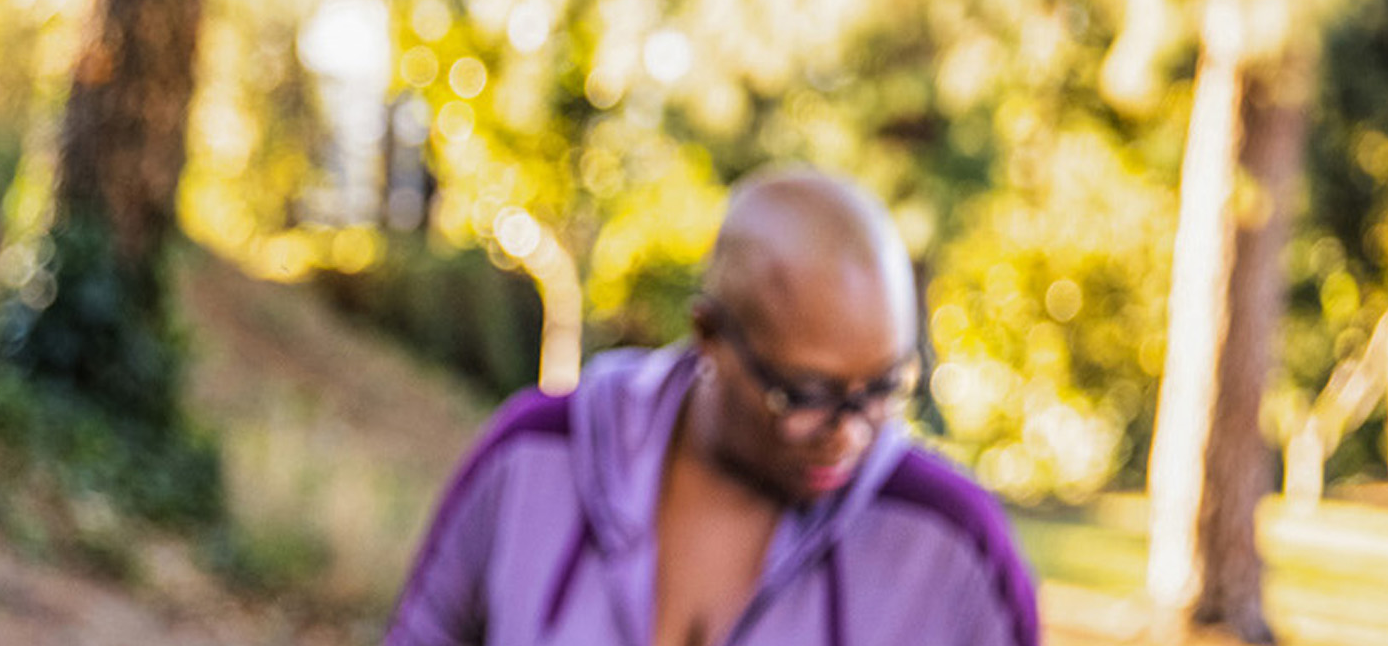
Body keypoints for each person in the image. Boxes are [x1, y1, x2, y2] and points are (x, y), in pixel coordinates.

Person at [384, 168, 1038, 646]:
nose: (850, 434)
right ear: (709, 337)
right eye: (805, 396)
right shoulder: (531, 458)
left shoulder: (952, 542)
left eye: (882, 389)